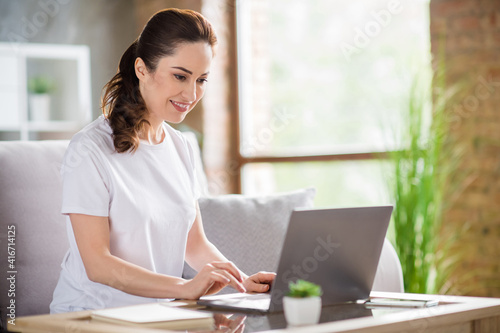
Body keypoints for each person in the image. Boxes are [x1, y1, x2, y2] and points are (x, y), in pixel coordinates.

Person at [50, 8, 275, 313]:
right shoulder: (89, 150)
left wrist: (243, 282)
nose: (192, 93)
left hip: (159, 317)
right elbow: (97, 264)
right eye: (180, 76)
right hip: (93, 317)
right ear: (142, 69)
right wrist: (184, 287)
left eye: (201, 80)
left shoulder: (181, 146)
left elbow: (194, 244)